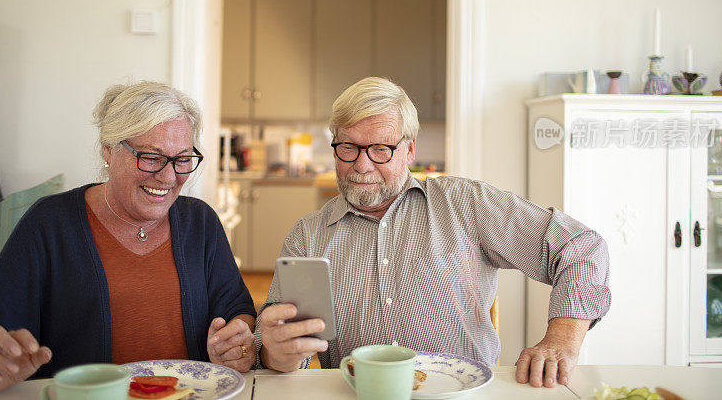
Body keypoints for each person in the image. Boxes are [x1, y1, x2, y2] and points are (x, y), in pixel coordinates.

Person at [257, 77, 611, 388]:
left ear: (409, 150)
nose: (361, 166)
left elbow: (580, 248)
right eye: (348, 147)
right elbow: (274, 354)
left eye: (380, 149)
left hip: (463, 396)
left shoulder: (465, 204)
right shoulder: (308, 236)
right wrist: (278, 354)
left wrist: (562, 339)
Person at [0, 81, 256, 393]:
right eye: (151, 157)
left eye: (182, 159)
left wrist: (238, 342)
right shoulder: (50, 222)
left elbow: (237, 309)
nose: (168, 177)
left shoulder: (201, 221)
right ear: (109, 151)